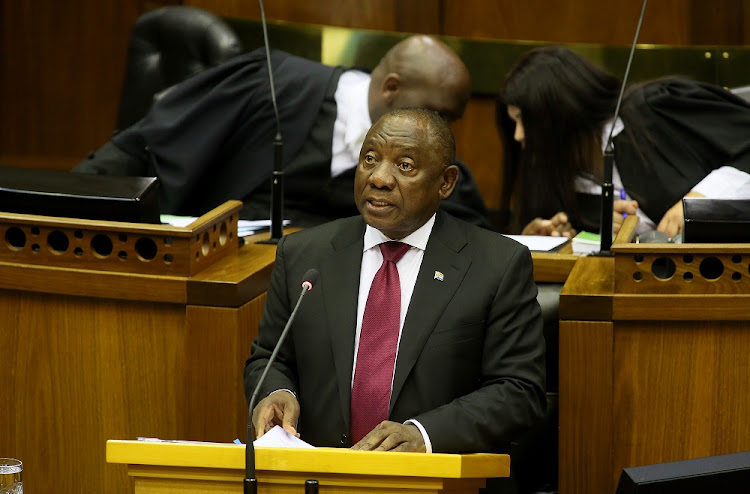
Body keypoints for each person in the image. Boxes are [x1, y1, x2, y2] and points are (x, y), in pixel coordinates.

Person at [244, 108, 545, 457]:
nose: (379, 178)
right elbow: (269, 357)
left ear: (445, 182)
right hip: (321, 475)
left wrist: (424, 435)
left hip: (438, 480)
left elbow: (520, 391)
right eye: (369, 159)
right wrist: (278, 392)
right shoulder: (303, 255)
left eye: (405, 166)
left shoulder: (497, 264)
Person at [73, 35, 490, 228]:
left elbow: (465, 232)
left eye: (449, 121)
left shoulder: (428, 164)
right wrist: (68, 203)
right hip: (217, 279)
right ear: (392, 88)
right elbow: (149, 146)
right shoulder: (268, 86)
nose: (439, 130)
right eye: (436, 113)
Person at [496, 45, 750, 238]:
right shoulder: (552, 179)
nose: (519, 136)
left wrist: (700, 202)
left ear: (559, 114)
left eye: (523, 121)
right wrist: (540, 240)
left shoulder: (656, 109)